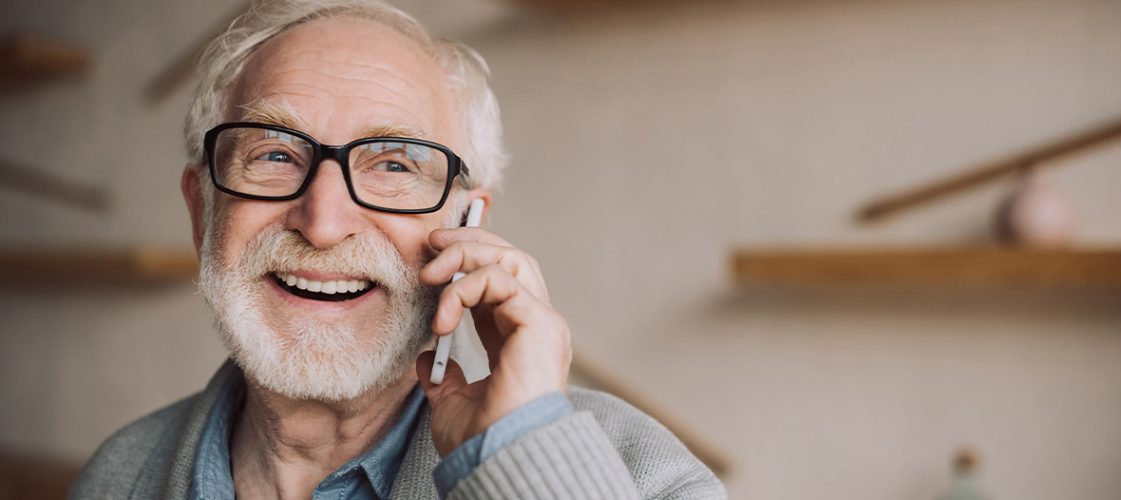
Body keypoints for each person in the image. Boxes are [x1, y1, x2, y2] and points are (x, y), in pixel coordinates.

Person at [71, 1, 726, 498]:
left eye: (393, 165)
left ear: (470, 222)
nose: (323, 223)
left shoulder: (642, 475)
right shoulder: (117, 474)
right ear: (202, 212)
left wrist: (522, 458)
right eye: (273, 154)